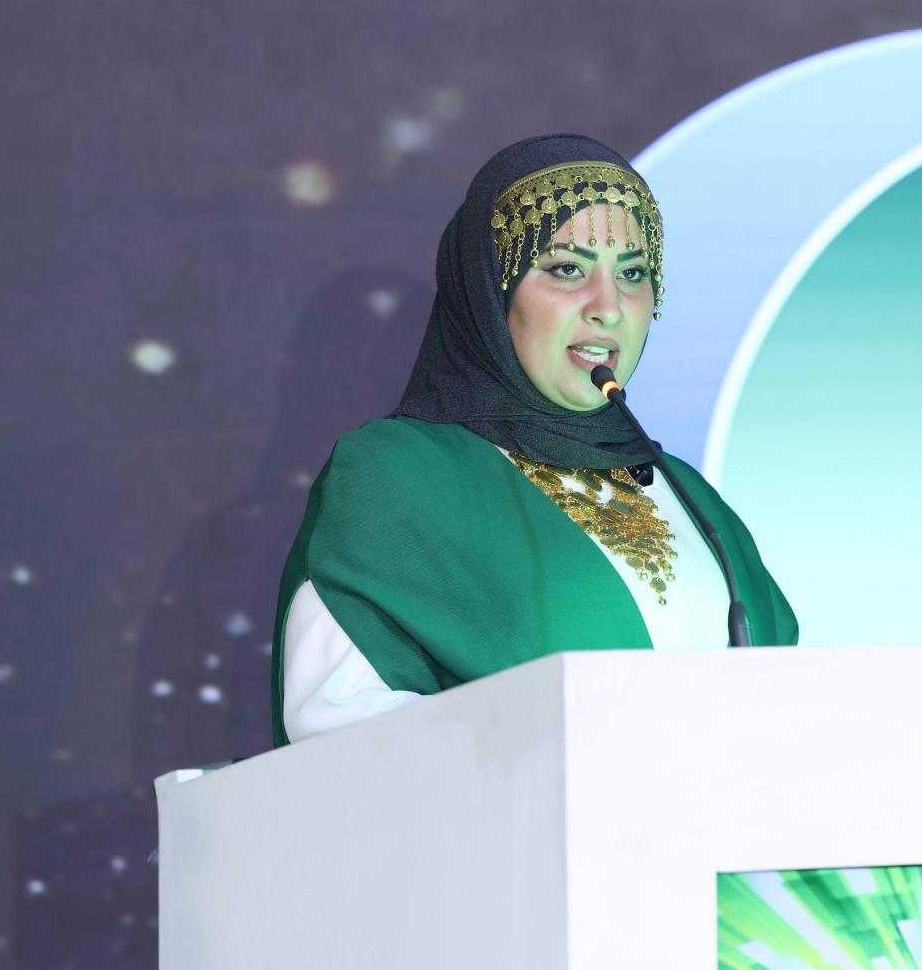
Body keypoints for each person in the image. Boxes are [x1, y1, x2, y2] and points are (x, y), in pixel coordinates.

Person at [269, 134, 798, 745]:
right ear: (491, 293)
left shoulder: (690, 498)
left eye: (633, 274)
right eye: (567, 269)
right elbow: (334, 724)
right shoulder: (399, 475)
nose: (608, 307)